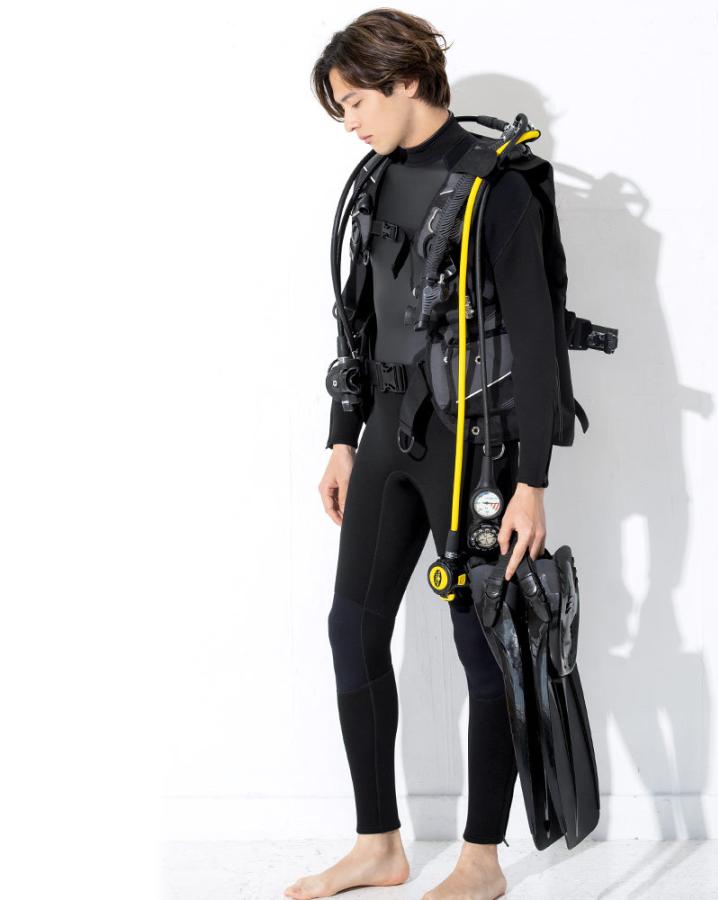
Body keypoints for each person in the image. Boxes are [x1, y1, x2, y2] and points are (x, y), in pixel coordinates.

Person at [286, 9, 560, 900]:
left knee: (484, 645)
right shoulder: (374, 181)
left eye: (355, 102)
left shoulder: (498, 187)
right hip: (385, 437)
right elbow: (358, 320)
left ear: (406, 80)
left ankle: (482, 861)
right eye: (340, 109)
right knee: (352, 626)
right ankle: (379, 845)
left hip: (473, 451)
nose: (349, 122)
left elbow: (539, 343)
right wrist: (341, 436)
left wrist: (531, 482)